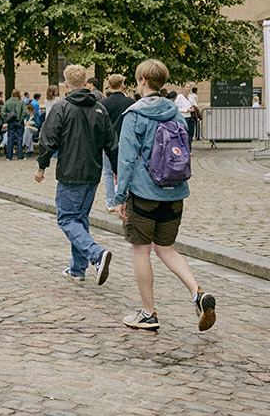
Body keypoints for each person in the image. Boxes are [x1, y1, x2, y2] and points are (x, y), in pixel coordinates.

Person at [114, 59, 215, 332]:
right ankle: (197, 293)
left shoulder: (134, 115)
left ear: (143, 81)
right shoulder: (176, 113)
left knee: (141, 250)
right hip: (175, 192)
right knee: (166, 248)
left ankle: (148, 313)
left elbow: (125, 162)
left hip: (145, 193)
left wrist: (118, 197)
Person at [34, 65, 118, 284]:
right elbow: (112, 143)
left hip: (71, 173)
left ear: (66, 84)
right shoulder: (99, 109)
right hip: (93, 172)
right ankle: (77, 269)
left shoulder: (62, 108)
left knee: (67, 218)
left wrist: (41, 166)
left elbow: (48, 140)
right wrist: (117, 171)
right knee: (79, 219)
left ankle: (96, 254)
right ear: (86, 84)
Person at [101, 74, 135, 212]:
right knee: (127, 170)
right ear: (123, 85)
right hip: (126, 140)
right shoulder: (130, 102)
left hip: (108, 141)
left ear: (109, 86)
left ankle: (110, 202)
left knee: (108, 173)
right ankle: (126, 199)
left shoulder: (103, 104)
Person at [2, 89, 27, 160]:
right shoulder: (21, 102)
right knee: (19, 138)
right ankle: (20, 156)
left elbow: (3, 111)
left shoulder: (8, 102)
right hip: (19, 122)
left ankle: (9, 156)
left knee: (10, 138)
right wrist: (21, 119)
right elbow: (25, 112)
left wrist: (7, 118)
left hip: (11, 122)